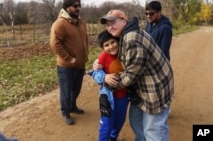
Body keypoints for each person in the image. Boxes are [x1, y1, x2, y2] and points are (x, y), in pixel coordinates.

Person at [99, 9, 174, 141]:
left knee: (154, 130)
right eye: (107, 25)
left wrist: (107, 88)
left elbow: (131, 75)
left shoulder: (131, 38)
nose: (110, 27)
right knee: (136, 121)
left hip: (155, 89)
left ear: (124, 21)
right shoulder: (126, 34)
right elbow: (120, 59)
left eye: (113, 22)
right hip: (141, 89)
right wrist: (99, 64)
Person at [50, 0, 89, 125]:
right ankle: (65, 112)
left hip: (80, 64)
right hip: (66, 66)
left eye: (79, 6)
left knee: (76, 89)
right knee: (66, 91)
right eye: (75, 6)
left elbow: (85, 39)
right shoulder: (60, 24)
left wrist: (84, 55)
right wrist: (68, 58)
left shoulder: (81, 22)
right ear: (67, 8)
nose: (78, 8)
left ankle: (72, 107)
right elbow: (55, 44)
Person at [89, 30, 130, 141]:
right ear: (103, 48)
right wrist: (104, 77)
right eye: (106, 45)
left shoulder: (125, 53)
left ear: (117, 41)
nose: (111, 46)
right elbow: (95, 72)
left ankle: (113, 138)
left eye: (112, 42)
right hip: (109, 98)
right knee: (106, 124)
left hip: (123, 97)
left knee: (120, 121)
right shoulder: (103, 57)